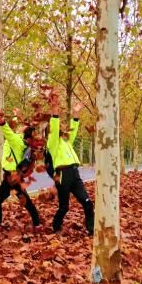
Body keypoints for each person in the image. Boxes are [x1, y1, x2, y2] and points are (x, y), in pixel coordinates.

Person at [46, 96, 94, 235]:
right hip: (63, 175)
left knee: (87, 202)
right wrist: (54, 111)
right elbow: (54, 128)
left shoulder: (67, 141)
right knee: (64, 207)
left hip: (75, 174)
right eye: (61, 126)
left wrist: (76, 112)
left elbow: (74, 128)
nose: (63, 127)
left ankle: (91, 230)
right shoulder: (52, 144)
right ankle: (55, 227)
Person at [0, 109, 42, 232]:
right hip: (13, 176)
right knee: (24, 200)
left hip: (12, 177)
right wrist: (15, 116)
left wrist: (2, 122)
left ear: (23, 134)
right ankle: (37, 223)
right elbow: (14, 129)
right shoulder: (23, 142)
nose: (20, 127)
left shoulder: (16, 141)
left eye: (22, 128)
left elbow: (9, 131)